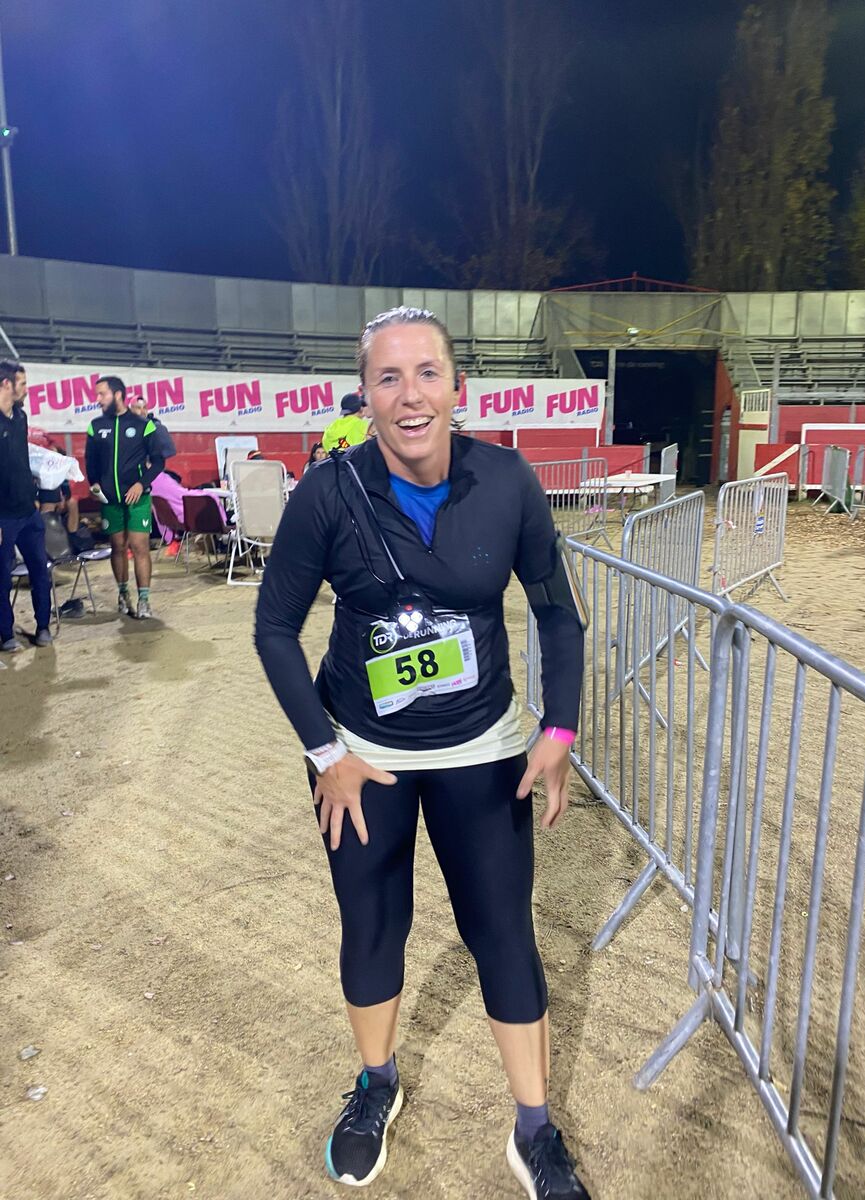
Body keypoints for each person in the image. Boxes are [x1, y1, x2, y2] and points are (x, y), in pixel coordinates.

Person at [256, 307, 590, 1197]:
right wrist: (326, 754)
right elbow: (274, 629)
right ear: (365, 396)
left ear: (456, 387)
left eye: (427, 373)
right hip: (363, 754)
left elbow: (557, 612)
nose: (411, 395)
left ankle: (534, 1128)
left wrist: (558, 730)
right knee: (373, 927)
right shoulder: (327, 495)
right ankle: (377, 1084)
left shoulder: (507, 480)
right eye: (389, 378)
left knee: (502, 932)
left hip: (481, 748)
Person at [86, 376, 165, 620]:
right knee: (117, 547)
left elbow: (159, 462)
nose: (98, 399)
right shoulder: (96, 426)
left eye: (102, 394)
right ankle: (123, 594)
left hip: (138, 498)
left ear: (118, 394)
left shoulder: (143, 425)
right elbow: (91, 463)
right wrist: (94, 485)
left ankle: (144, 600)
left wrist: (141, 484)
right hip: (110, 500)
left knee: (140, 547)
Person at [0, 360, 53, 651]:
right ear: (6, 384)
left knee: (40, 572)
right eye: (22, 384)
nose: (26, 389)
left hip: (28, 513)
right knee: (2, 579)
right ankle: (6, 635)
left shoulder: (20, 417)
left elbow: (21, 462)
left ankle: (43, 626)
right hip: (3, 518)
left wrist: (34, 496)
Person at [130, 394, 177, 460]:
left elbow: (169, 451)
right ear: (131, 409)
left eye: (144, 408)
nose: (142, 411)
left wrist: (153, 460)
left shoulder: (156, 427)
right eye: (138, 408)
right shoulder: (126, 426)